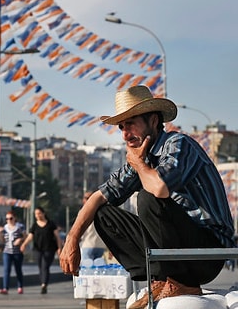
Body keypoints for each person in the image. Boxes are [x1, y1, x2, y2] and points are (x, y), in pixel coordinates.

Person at [59, 85, 235, 309]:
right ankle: (161, 279)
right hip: (178, 252)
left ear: (153, 121)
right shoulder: (139, 159)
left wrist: (139, 164)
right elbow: (97, 197)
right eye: (121, 127)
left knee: (148, 197)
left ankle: (181, 282)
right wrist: (71, 240)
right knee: (103, 214)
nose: (125, 134)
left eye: (131, 124)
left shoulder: (179, 144)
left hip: (208, 253)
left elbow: (160, 188)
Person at [20, 206, 62, 294]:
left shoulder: (51, 224)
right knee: (40, 267)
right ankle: (43, 283)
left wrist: (59, 248)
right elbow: (30, 236)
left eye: (39, 213)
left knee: (45, 266)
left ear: (43, 213)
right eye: (36, 214)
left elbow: (57, 236)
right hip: (38, 249)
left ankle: (44, 284)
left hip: (49, 249)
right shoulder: (35, 225)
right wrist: (24, 244)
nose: (37, 215)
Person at [0, 211, 26, 295]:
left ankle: (20, 287)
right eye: (7, 219)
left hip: (17, 252)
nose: (9, 220)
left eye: (10, 218)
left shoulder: (20, 227)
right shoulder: (5, 228)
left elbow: (25, 237)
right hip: (7, 251)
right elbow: (2, 240)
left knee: (18, 269)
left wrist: (20, 240)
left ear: (14, 218)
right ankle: (5, 288)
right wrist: (0, 233)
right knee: (6, 270)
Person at [79, 191, 107, 262]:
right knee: (97, 270)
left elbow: (80, 228)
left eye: (87, 198)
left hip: (88, 245)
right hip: (100, 246)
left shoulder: (83, 211)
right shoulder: (102, 212)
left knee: (87, 270)